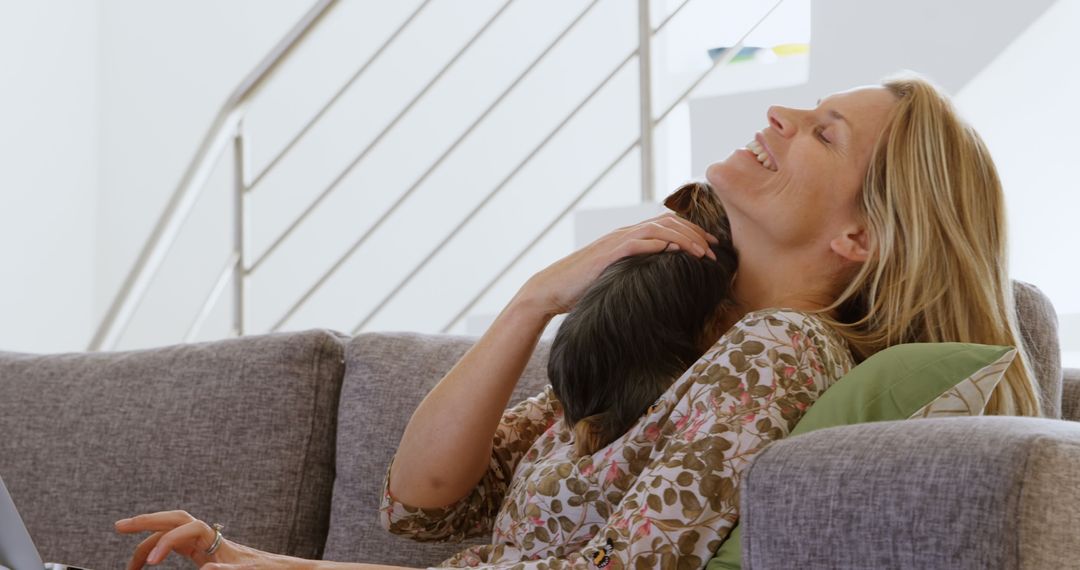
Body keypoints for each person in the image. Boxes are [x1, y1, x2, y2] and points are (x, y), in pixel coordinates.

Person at [114, 72, 1044, 570]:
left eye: (824, 131)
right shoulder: (688, 339)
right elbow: (423, 502)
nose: (782, 111)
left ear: (861, 235)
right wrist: (534, 302)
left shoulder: (781, 352)